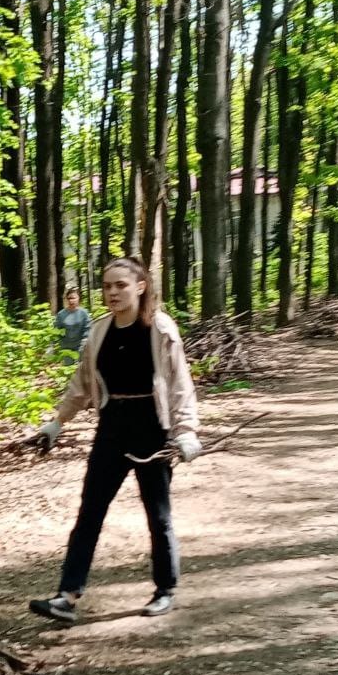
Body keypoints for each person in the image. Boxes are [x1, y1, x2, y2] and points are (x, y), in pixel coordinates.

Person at [29, 257, 201, 623]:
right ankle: (67, 595)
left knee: (158, 514)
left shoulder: (160, 328)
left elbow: (179, 383)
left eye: (121, 285)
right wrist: (57, 423)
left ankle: (165, 589)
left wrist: (186, 431)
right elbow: (82, 383)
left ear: (140, 286)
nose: (112, 292)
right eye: (107, 286)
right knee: (89, 512)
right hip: (111, 427)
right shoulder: (100, 330)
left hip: (152, 427)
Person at [54, 286, 92, 355]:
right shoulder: (61, 314)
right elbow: (56, 331)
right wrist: (52, 346)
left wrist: (84, 342)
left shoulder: (84, 313)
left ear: (78, 298)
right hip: (65, 349)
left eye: (73, 298)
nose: (71, 300)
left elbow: (88, 329)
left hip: (80, 348)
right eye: (69, 298)